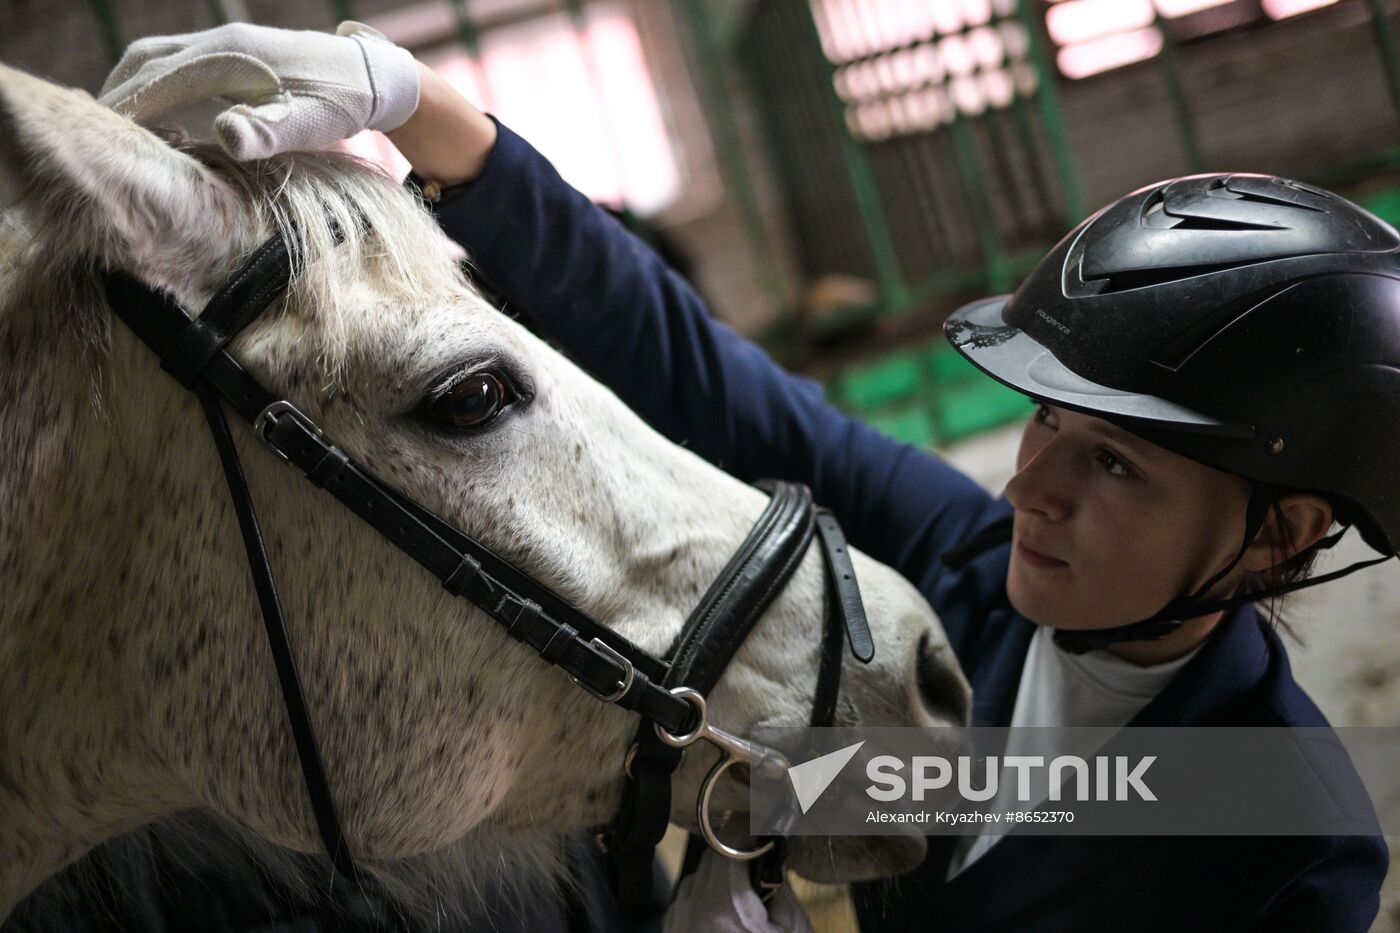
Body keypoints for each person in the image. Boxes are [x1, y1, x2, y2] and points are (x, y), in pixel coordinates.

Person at [85, 21, 1393, 932]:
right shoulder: (972, 574)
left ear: (1276, 534)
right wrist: (428, 110)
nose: (1034, 484)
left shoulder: (1285, 827)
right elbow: (717, 386)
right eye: (1045, 417)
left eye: (1113, 461)